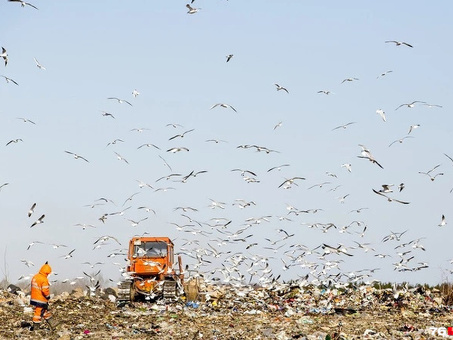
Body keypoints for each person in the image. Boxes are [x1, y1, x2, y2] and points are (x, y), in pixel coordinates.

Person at [30, 261, 54, 330]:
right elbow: (45, 290)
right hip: (41, 299)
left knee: (44, 311)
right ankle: (36, 327)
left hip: (34, 297)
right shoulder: (44, 279)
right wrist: (48, 296)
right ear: (47, 272)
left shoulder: (35, 276)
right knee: (38, 313)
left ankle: (53, 323)